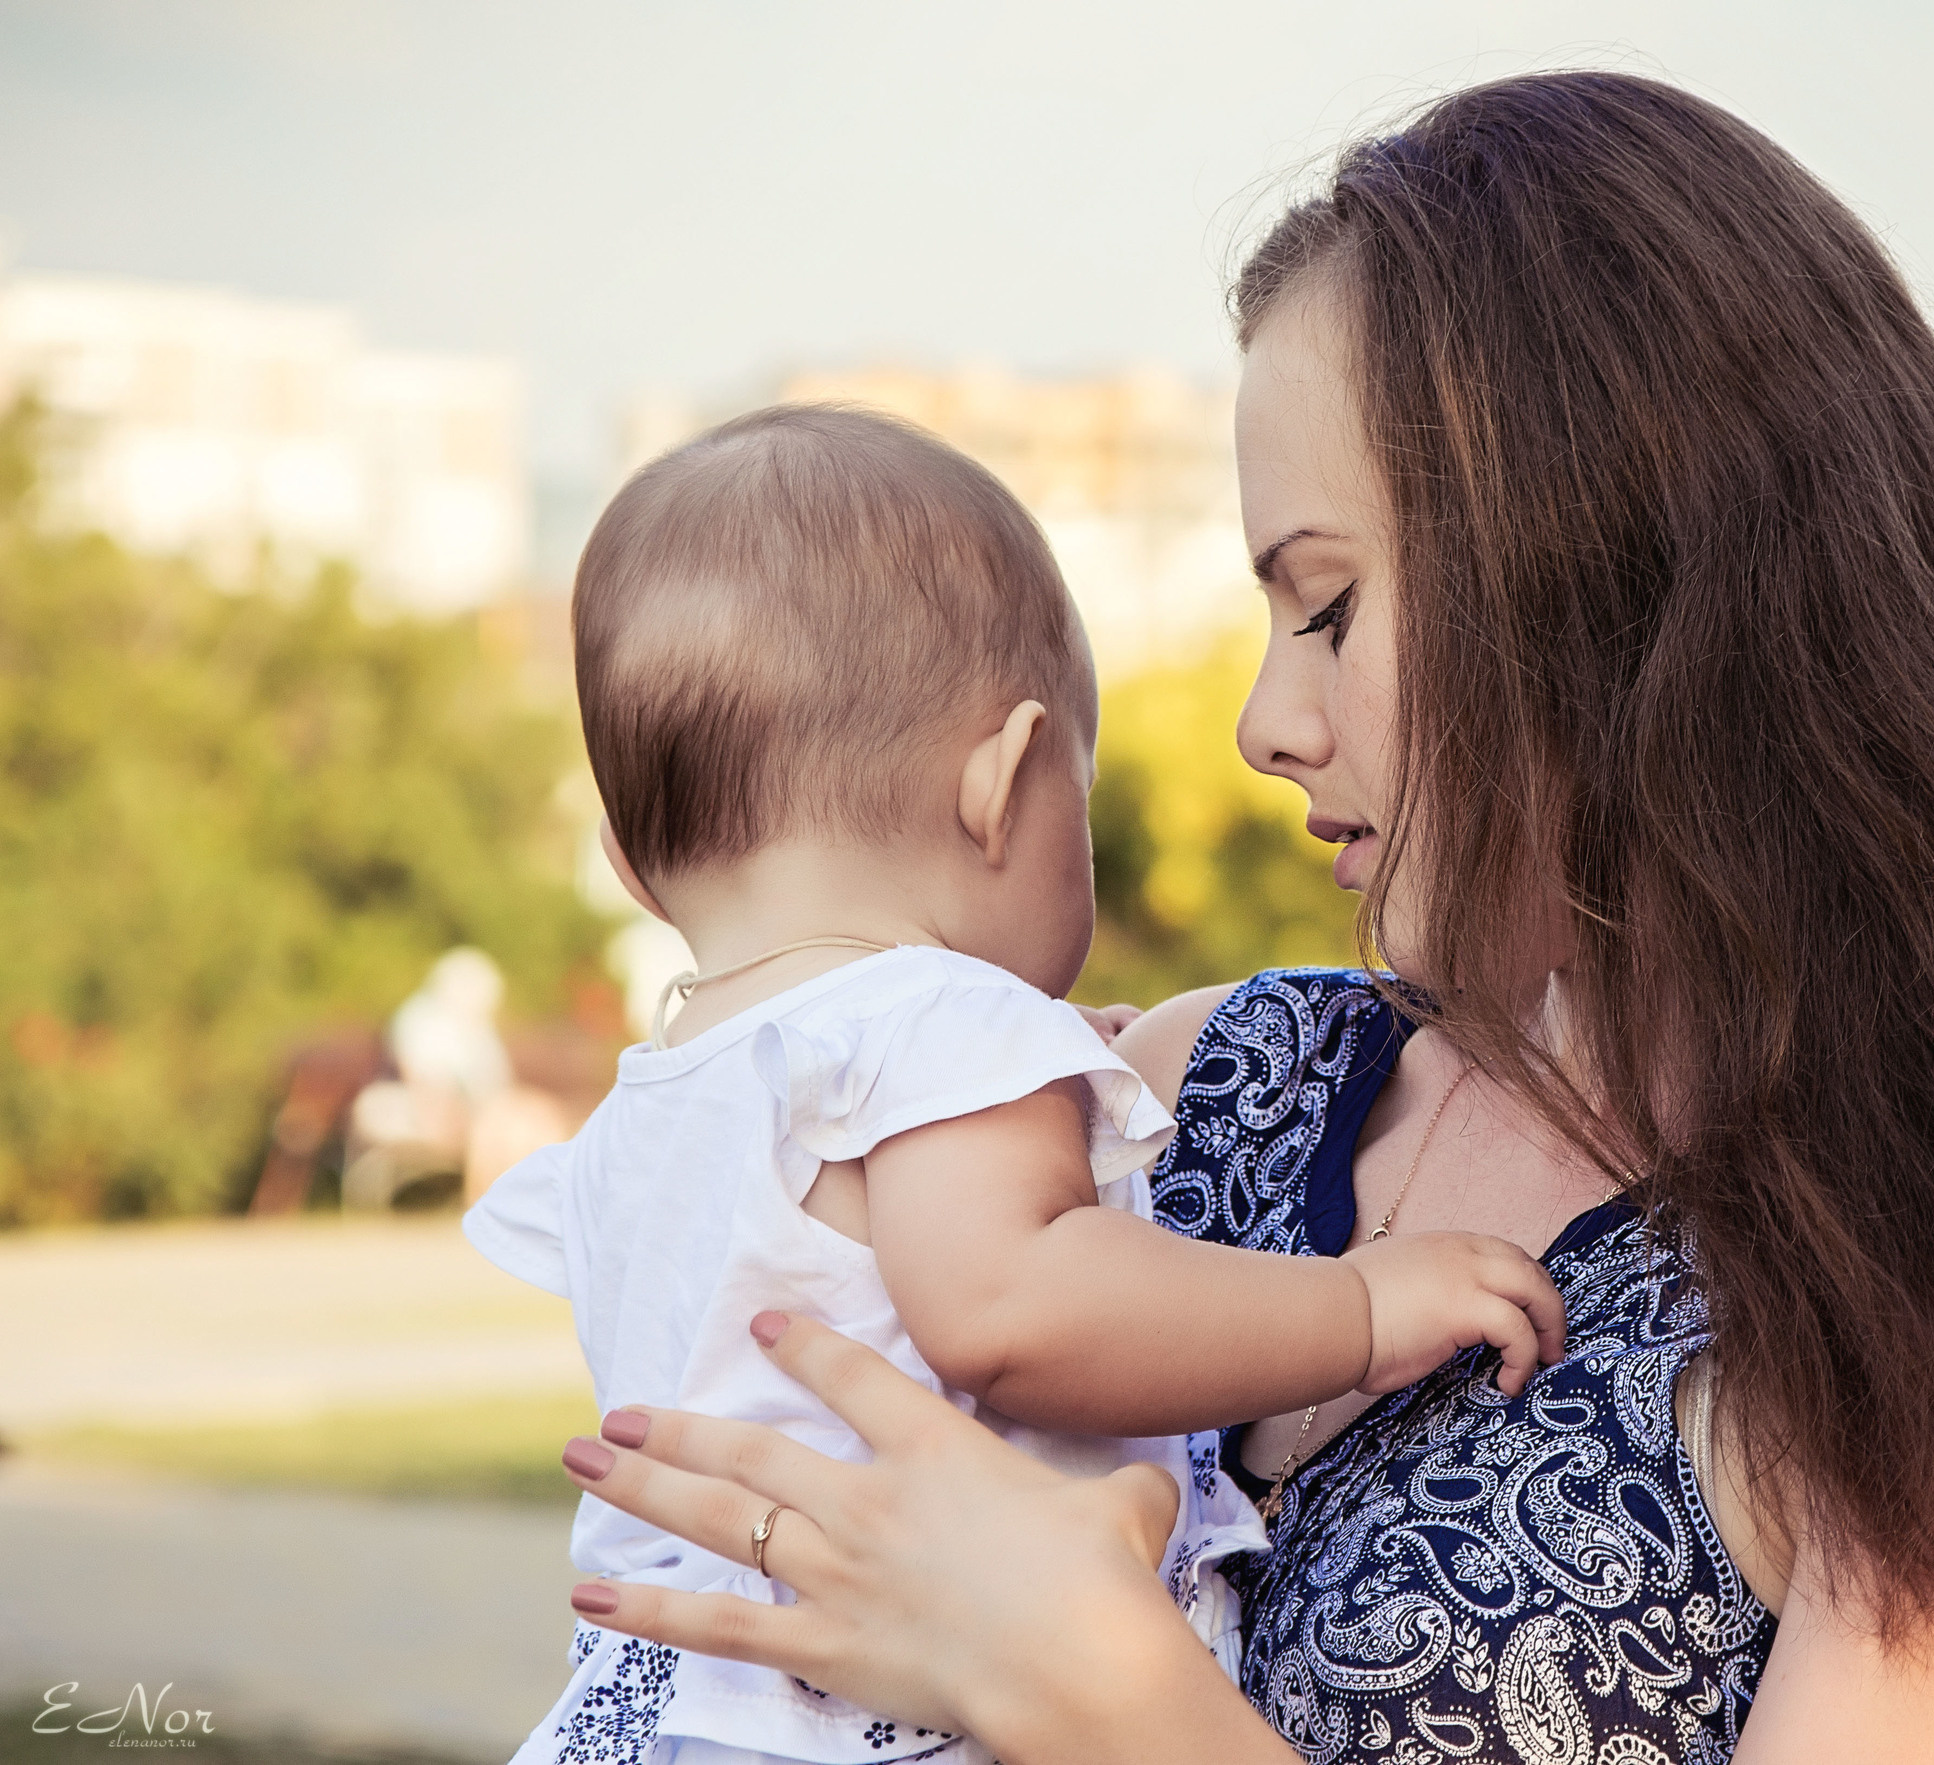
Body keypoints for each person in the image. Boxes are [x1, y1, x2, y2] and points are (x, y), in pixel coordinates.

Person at [543, 73, 1934, 1763]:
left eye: (1331, 606)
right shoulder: (1176, 1098)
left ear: (1616, 592)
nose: (1268, 723)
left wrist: (1105, 1695)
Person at [462, 405, 1567, 1765]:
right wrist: (1356, 1307)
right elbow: (1010, 1305)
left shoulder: (659, 1103)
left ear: (638, 872)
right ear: (1001, 784)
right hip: (862, 1727)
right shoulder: (944, 1030)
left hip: (658, 1713)